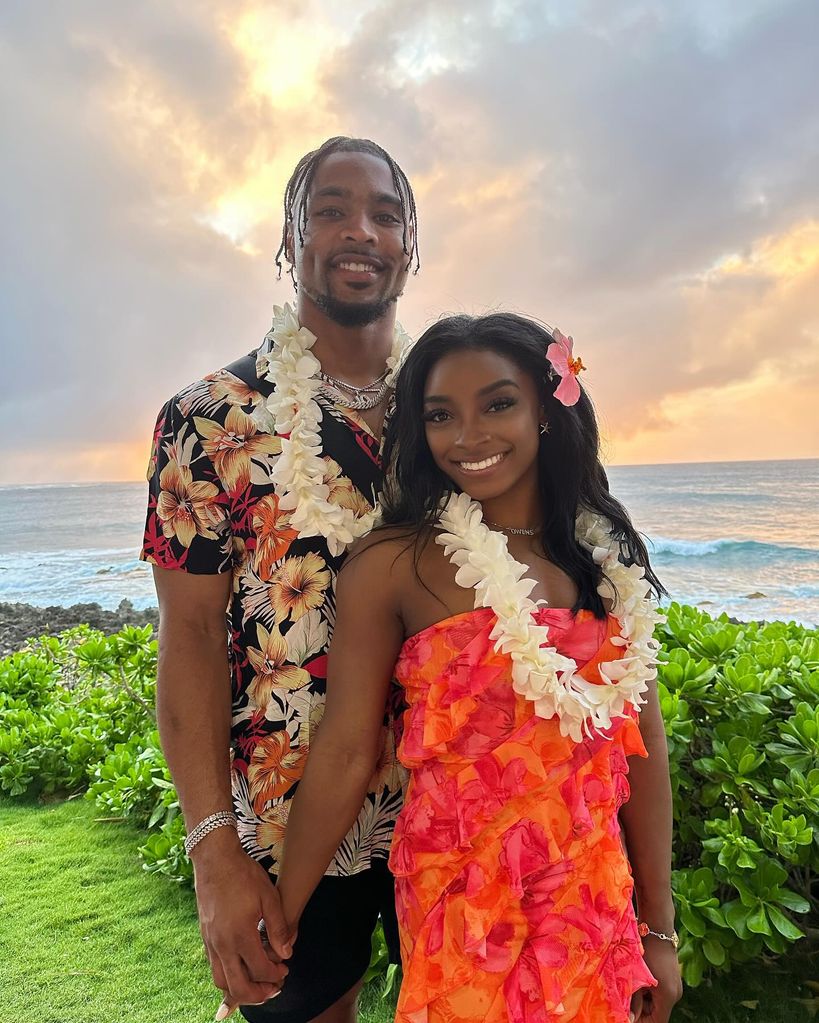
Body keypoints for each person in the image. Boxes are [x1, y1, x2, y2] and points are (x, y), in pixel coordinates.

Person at [275, 313, 683, 1022]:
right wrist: (279, 919)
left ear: (548, 411)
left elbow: (643, 759)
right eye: (441, 414)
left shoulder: (605, 560)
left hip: (591, 901)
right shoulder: (392, 564)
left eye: (498, 403)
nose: (468, 435)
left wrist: (660, 928)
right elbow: (343, 751)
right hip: (461, 903)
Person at [140, 136, 420, 1023]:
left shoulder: (457, 416)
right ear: (288, 239)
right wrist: (211, 848)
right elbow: (185, 638)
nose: (358, 231)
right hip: (284, 822)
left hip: (453, 808)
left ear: (410, 243)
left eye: (383, 213)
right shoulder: (207, 419)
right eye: (330, 209)